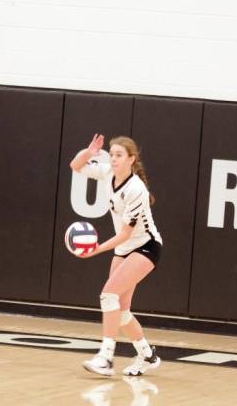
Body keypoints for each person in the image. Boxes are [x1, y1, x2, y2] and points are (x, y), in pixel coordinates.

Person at [70, 133, 163, 377]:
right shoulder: (108, 173)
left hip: (145, 247)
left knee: (108, 295)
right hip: (125, 249)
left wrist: (95, 249)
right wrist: (90, 152)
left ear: (131, 159)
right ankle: (147, 355)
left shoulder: (136, 189)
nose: (113, 159)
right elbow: (75, 166)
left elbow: (125, 234)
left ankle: (106, 358)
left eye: (119, 155)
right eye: (111, 155)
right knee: (120, 311)